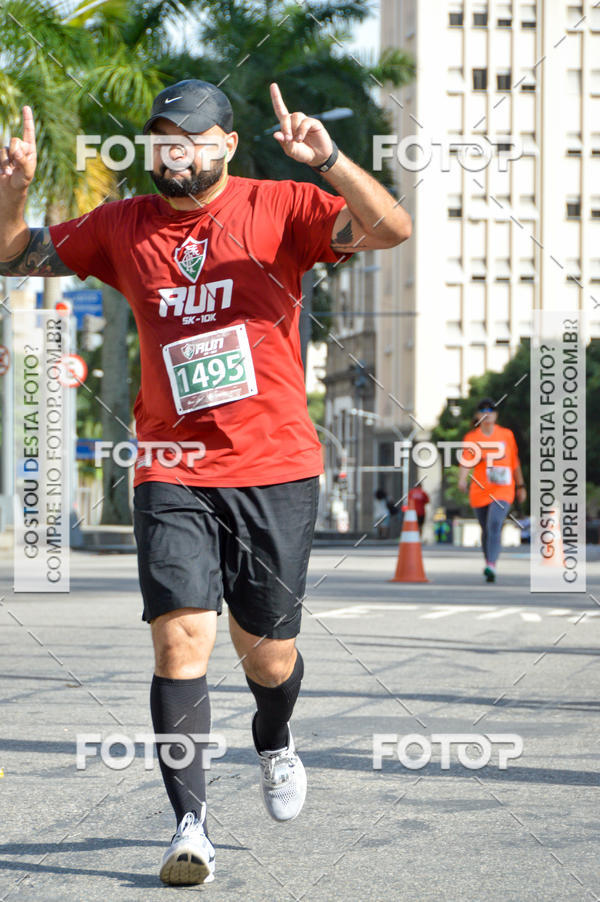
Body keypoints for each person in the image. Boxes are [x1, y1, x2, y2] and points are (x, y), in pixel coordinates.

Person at [0, 80, 411, 885]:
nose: (170, 150)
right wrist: (12, 193)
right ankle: (190, 822)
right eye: (160, 137)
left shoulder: (283, 207)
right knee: (180, 635)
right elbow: (13, 255)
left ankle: (275, 738)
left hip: (275, 465)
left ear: (225, 143)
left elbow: (390, 229)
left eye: (187, 136)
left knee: (268, 656)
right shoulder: (122, 225)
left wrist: (327, 159)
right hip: (171, 464)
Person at [457, 398, 526, 582]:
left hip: (503, 489)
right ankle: (489, 561)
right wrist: (462, 480)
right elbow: (465, 462)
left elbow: (514, 462)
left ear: (496, 415)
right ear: (478, 415)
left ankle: (491, 565)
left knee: (494, 523)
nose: (487, 414)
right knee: (486, 530)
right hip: (480, 491)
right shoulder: (472, 438)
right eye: (483, 411)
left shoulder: (506, 435)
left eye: (491, 411)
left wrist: (521, 485)